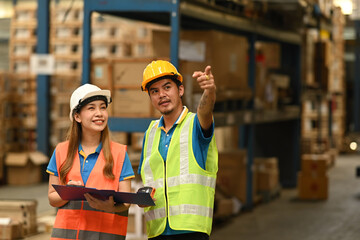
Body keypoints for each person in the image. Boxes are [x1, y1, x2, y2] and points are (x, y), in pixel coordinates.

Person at [138, 60, 218, 240]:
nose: (162, 95)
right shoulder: (150, 133)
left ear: (180, 90)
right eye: (154, 91)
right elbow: (149, 181)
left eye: (167, 87)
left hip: (190, 231)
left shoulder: (194, 124)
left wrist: (209, 92)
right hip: (157, 231)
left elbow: (205, 113)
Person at [46, 83, 135, 240]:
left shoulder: (119, 153)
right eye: (91, 108)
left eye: (102, 107)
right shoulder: (61, 151)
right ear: (77, 116)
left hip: (105, 235)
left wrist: (111, 207)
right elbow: (52, 198)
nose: (99, 113)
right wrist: (67, 192)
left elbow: (126, 201)